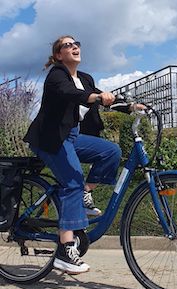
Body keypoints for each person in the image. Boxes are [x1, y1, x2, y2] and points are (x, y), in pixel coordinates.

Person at [23, 35, 122, 274]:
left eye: (76, 43)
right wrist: (97, 97)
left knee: (111, 151)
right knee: (72, 182)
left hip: (72, 135)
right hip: (50, 138)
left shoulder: (85, 78)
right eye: (67, 45)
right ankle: (66, 249)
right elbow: (70, 94)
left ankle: (86, 194)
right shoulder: (57, 75)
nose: (74, 46)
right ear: (58, 55)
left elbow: (101, 98)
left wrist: (129, 105)